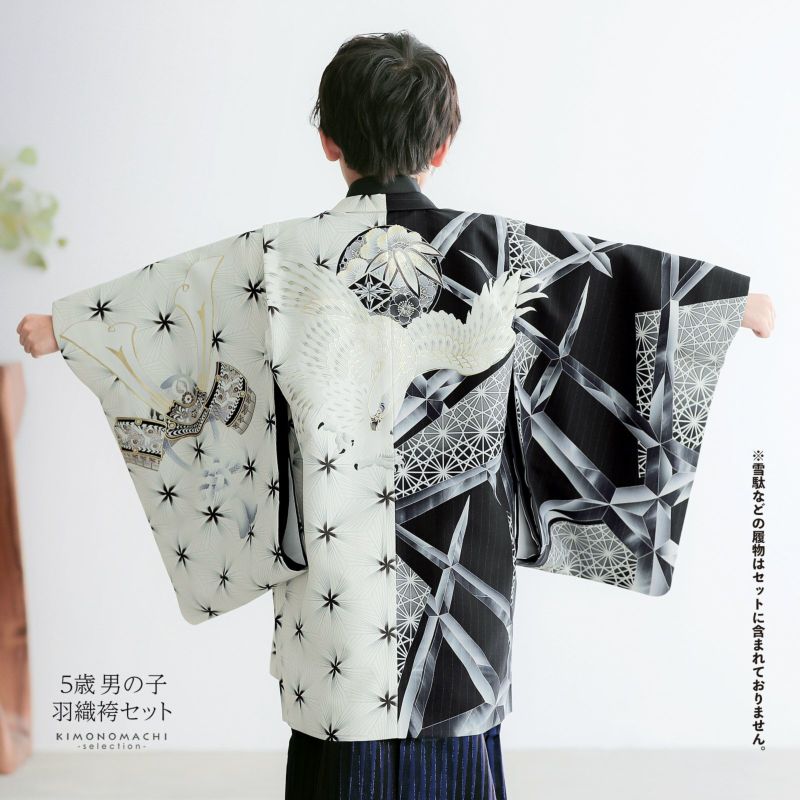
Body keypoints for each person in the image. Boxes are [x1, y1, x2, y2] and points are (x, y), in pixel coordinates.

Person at [17, 29, 774, 800]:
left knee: (338, 765)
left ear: (328, 140)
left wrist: (68, 329)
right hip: (463, 602)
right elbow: (615, 282)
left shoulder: (281, 256)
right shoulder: (493, 249)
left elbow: (178, 300)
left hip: (336, 608)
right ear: (442, 146)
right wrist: (722, 306)